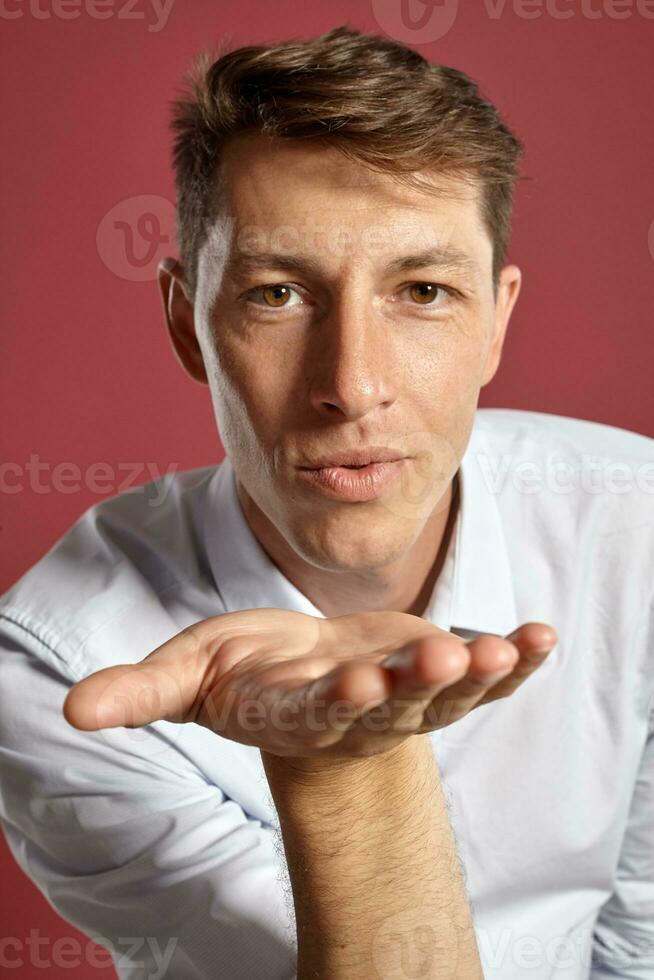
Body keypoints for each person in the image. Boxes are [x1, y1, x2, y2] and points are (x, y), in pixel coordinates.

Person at [1, 23, 652, 980]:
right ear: (188, 325)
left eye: (423, 291)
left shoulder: (635, 527)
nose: (352, 385)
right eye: (276, 295)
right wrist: (343, 764)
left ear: (496, 324)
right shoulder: (60, 673)